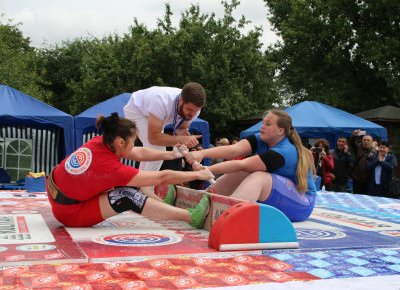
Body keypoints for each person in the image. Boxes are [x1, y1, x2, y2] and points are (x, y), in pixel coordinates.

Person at [46, 113, 214, 228]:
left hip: (60, 198)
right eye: (133, 141)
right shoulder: (110, 168)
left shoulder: (100, 141)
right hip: (69, 212)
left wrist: (171, 154)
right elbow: (162, 177)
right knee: (126, 195)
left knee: (131, 181)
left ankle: (162, 205)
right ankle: (190, 217)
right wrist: (198, 174)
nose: (135, 145)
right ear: (120, 142)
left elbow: (139, 153)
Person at [185, 109, 317, 222]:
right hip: (282, 196)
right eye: (263, 122)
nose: (262, 126)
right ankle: (206, 201)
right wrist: (202, 154)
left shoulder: (284, 151)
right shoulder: (262, 138)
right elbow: (233, 150)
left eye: (267, 124)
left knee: (257, 176)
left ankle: (225, 215)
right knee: (247, 173)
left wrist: (205, 170)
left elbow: (242, 164)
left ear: (280, 131)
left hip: (303, 204)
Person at [123, 82, 206, 175]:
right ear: (181, 100)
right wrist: (181, 139)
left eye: (196, 111)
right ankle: (145, 186)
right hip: (137, 109)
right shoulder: (162, 101)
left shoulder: (194, 109)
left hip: (156, 114)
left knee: (154, 151)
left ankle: (142, 184)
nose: (193, 114)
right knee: (157, 150)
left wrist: (184, 136)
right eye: (190, 109)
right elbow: (153, 138)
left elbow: (180, 128)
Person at [349, 130, 377, 195]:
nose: (366, 142)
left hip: (369, 180)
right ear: (362, 141)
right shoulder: (358, 148)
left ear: (372, 141)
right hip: (357, 179)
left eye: (368, 140)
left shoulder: (375, 152)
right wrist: (354, 136)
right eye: (364, 140)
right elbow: (352, 142)